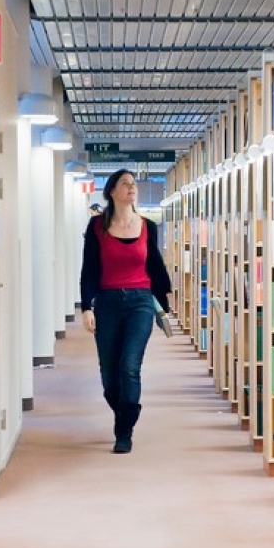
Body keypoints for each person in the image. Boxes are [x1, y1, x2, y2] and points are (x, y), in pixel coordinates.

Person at [79, 169, 173, 453]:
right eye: (125, 183)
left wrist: (165, 302)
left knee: (129, 367)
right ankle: (124, 412)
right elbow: (89, 270)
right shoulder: (97, 227)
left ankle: (124, 431)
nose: (132, 187)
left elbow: (155, 265)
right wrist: (86, 307)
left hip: (140, 302)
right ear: (111, 192)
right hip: (107, 302)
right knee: (109, 376)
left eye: (134, 184)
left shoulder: (148, 226)